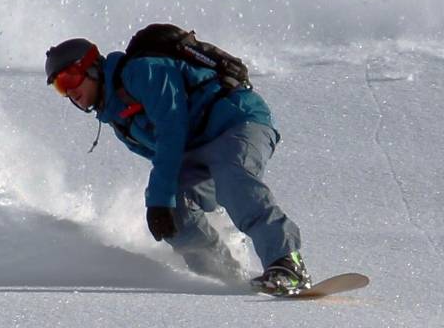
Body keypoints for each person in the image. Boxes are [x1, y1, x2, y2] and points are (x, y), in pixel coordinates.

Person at [43, 36, 309, 295]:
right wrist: (164, 202)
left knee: (231, 177)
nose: (69, 92)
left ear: (91, 68)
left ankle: (287, 263)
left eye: (69, 79)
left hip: (236, 122)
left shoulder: (142, 72)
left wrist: (159, 198)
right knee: (174, 208)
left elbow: (171, 130)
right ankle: (222, 274)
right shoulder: (117, 120)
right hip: (197, 150)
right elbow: (165, 159)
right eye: (59, 87)